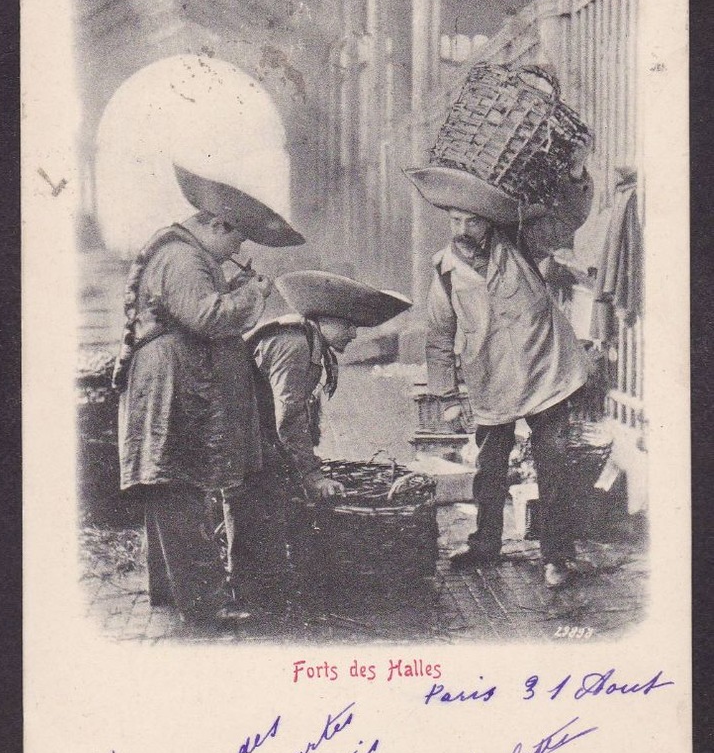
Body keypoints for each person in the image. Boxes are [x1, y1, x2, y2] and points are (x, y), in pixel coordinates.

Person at [113, 163, 304, 631]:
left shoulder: (187, 255)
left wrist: (233, 289)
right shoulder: (182, 258)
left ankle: (173, 592)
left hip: (175, 380)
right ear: (217, 225)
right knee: (178, 484)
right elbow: (207, 317)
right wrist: (251, 296)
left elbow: (194, 310)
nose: (237, 251)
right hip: (171, 384)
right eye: (237, 241)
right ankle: (203, 604)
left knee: (169, 481)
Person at [414, 149, 594, 588]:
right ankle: (484, 545)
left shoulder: (522, 245)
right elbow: (439, 336)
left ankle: (556, 556)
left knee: (554, 463)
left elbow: (568, 218)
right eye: (454, 220)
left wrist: (575, 177)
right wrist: (447, 396)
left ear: (488, 221)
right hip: (491, 375)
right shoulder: (445, 270)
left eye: (471, 221)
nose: (462, 230)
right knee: (490, 467)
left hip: (544, 366)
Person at [225, 271, 411, 614]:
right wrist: (311, 475)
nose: (354, 334)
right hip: (239, 435)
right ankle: (250, 597)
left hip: (252, 433)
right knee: (253, 502)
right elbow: (289, 415)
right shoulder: (294, 345)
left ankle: (262, 590)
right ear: (325, 321)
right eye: (349, 325)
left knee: (266, 501)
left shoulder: (308, 341)